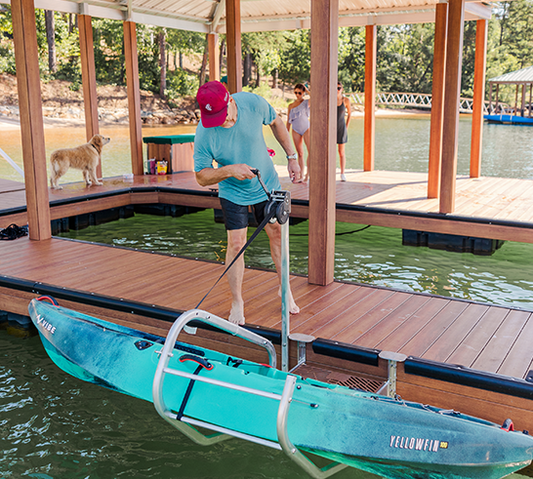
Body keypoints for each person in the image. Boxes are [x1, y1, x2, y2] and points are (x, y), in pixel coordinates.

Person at [193, 81, 301, 325]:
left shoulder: (252, 103)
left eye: (222, 115)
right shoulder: (204, 132)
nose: (219, 122)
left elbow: (276, 122)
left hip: (267, 183)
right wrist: (230, 170)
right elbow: (201, 176)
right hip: (233, 190)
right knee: (236, 243)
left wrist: (292, 158)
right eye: (213, 118)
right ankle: (237, 301)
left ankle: (285, 290)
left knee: (277, 234)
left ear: (230, 100)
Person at [286, 83, 310, 181]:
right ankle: (300, 175)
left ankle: (308, 174)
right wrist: (286, 133)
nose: (297, 95)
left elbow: (315, 98)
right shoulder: (291, 106)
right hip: (295, 130)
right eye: (295, 92)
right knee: (300, 153)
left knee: (311, 152)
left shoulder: (306, 102)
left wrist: (307, 90)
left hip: (306, 129)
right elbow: (288, 121)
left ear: (303, 93)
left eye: (299, 93)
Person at [337, 82, 351, 182]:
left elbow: (350, 114)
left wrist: (346, 126)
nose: (337, 90)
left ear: (342, 89)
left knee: (341, 152)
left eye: (339, 88)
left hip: (341, 128)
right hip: (332, 129)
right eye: (335, 88)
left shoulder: (346, 100)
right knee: (330, 152)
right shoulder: (330, 99)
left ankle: (342, 173)